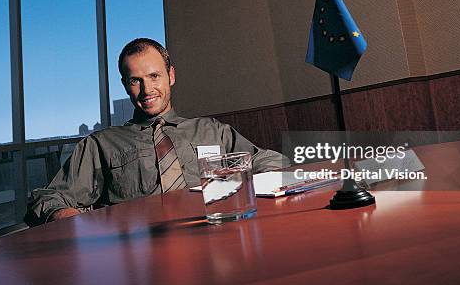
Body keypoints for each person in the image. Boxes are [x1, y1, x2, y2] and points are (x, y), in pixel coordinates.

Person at [25, 38, 288, 226]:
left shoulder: (212, 131)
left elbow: (272, 161)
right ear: (125, 86)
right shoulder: (101, 144)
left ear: (170, 75)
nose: (147, 89)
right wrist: (75, 221)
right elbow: (47, 198)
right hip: (140, 253)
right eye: (135, 80)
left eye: (154, 76)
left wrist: (235, 187)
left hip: (215, 234)